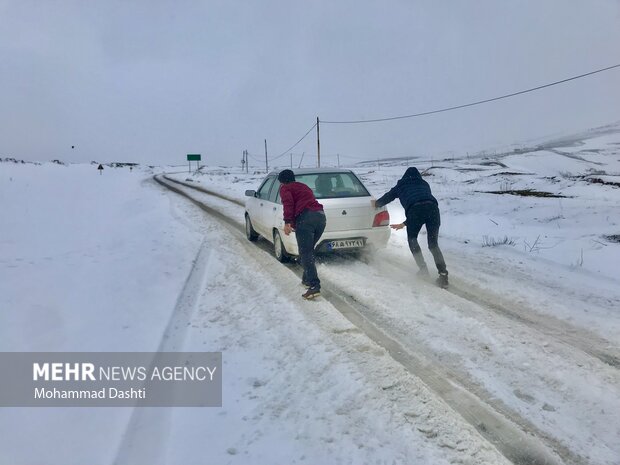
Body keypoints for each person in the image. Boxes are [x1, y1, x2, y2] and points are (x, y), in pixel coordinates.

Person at [373, 167, 449, 287]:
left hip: (415, 211)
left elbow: (389, 197)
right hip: (433, 210)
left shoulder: (401, 185)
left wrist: (377, 204)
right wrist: (404, 224)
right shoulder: (424, 184)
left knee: (412, 239)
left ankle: (423, 270)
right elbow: (423, 203)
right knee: (433, 244)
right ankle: (443, 275)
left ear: (405, 176)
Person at [279, 169, 326, 299]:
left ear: (282, 181)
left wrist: (287, 222)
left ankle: (314, 286)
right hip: (320, 217)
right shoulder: (303, 186)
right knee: (308, 251)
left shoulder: (285, 188)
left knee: (305, 253)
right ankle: (306, 280)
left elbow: (288, 203)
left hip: (306, 219)